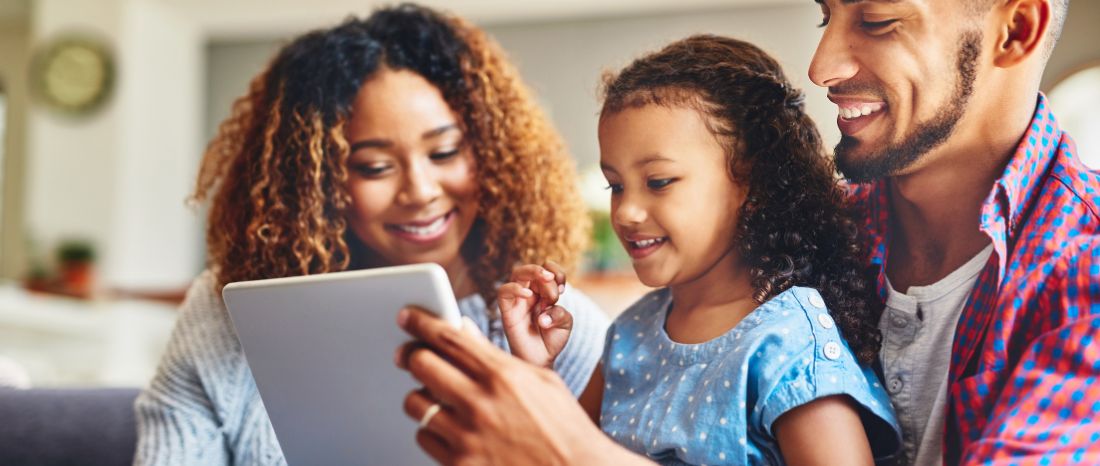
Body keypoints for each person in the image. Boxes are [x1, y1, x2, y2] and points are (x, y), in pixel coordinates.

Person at [396, 0, 1099, 464]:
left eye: (879, 20)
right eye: (827, 13)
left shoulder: (1082, 272)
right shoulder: (810, 234)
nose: (821, 65)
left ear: (1017, 29)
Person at [133, 4, 609, 465]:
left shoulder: (556, 327)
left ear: (491, 153)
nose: (420, 192)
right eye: (375, 167)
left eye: (444, 152)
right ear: (312, 180)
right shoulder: (222, 314)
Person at [490, 35, 902, 465]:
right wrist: (537, 373)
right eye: (615, 186)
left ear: (751, 184)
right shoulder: (629, 336)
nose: (627, 212)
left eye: (659, 182)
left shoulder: (788, 345)